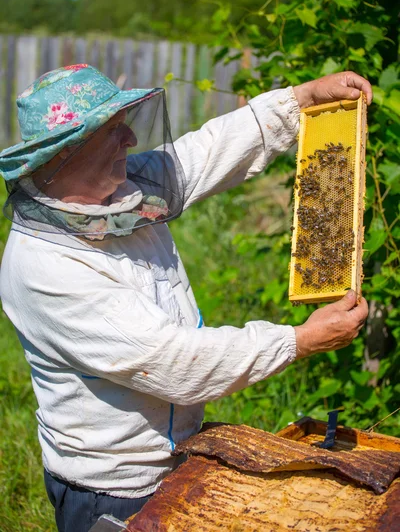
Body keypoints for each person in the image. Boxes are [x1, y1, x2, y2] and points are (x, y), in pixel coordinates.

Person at [0, 64, 370, 532]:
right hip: (111, 490)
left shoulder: (123, 189)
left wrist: (299, 100)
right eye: (114, 132)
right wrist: (299, 340)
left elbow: (202, 155)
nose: (131, 141)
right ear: (65, 154)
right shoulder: (45, 268)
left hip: (178, 454)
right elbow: (175, 363)